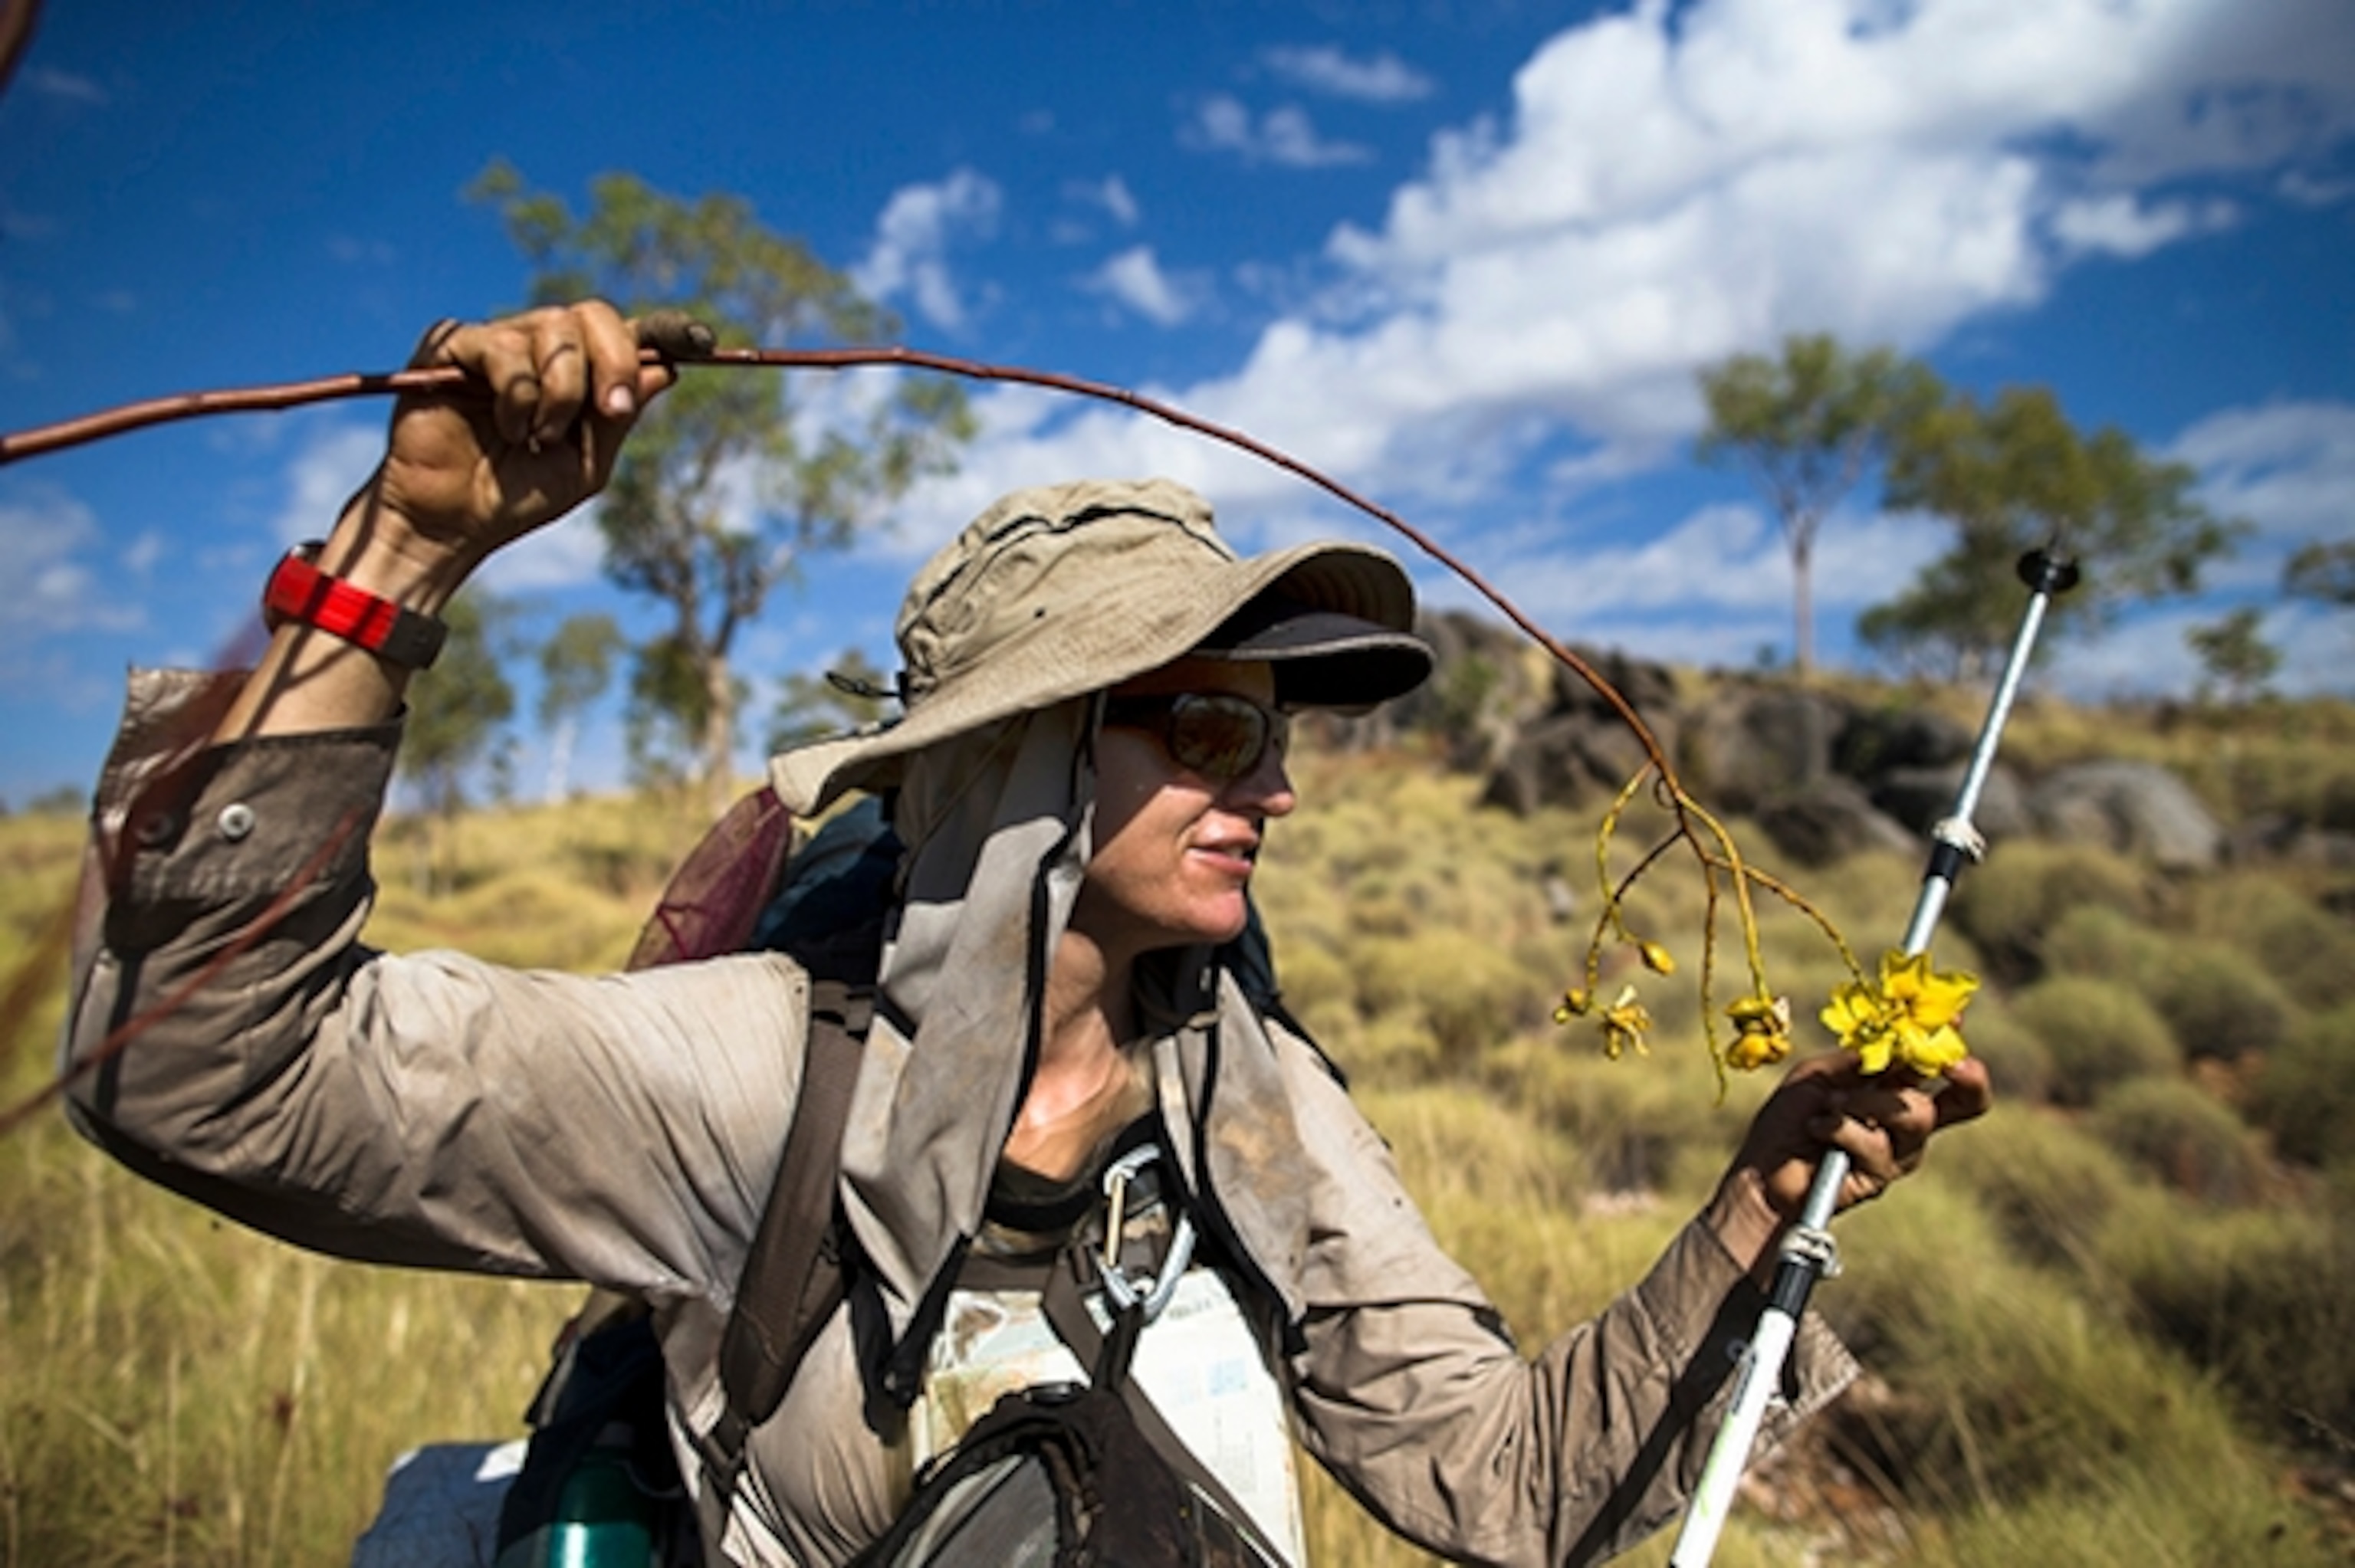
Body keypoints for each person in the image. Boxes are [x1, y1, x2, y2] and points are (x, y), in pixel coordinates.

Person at [61, 300, 1989, 1567]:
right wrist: (400, 563)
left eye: (1281, 731)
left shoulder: (1246, 1092)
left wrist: (1760, 1200)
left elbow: (1500, 1483)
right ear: (1031, 761)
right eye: (1214, 724)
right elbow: (216, 1077)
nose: (1279, 791)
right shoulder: (756, 1075)